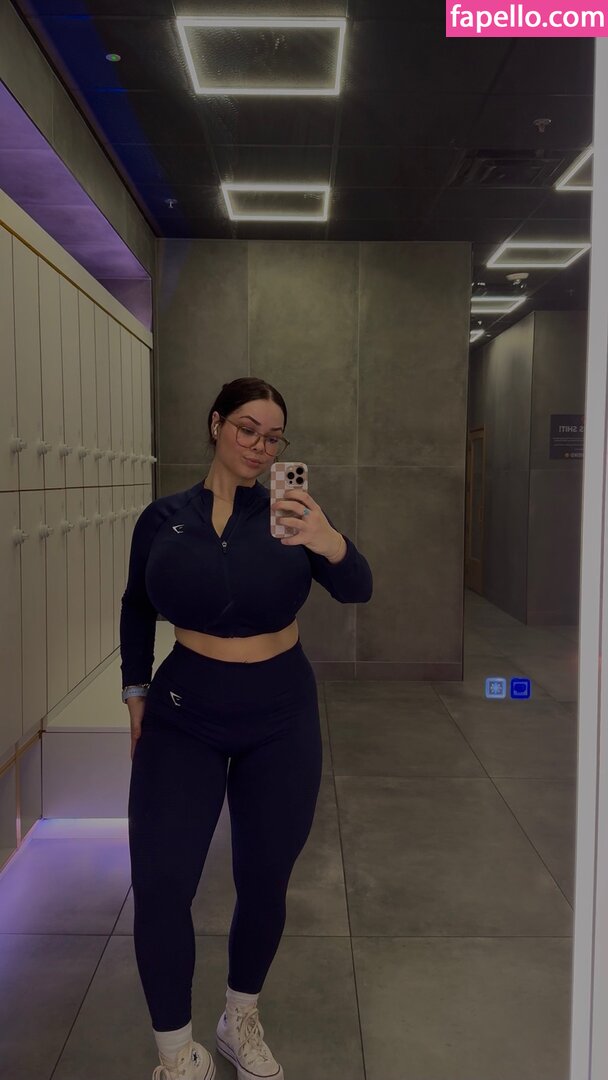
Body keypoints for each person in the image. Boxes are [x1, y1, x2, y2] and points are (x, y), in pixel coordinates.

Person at [122, 377, 373, 1080]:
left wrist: (327, 540)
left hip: (280, 714)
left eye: (273, 436)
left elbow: (358, 587)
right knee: (161, 882)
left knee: (265, 880)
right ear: (216, 424)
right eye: (247, 428)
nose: (260, 446)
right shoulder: (163, 517)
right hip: (183, 712)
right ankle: (177, 1054)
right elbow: (136, 605)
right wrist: (135, 689)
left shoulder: (291, 514)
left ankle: (240, 1019)